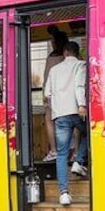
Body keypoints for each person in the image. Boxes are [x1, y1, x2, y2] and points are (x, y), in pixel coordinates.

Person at [44, 41, 88, 206]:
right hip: (77, 111)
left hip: (60, 115)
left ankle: (63, 193)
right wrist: (82, 105)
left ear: (65, 52)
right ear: (77, 53)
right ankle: (79, 161)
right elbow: (79, 86)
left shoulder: (54, 70)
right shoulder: (80, 65)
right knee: (88, 133)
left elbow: (47, 93)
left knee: (61, 154)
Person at [41, 26, 69, 162]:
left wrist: (45, 99)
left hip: (54, 97)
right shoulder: (73, 58)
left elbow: (46, 80)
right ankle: (74, 151)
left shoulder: (51, 58)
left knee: (49, 120)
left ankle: (53, 150)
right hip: (70, 97)